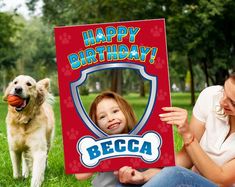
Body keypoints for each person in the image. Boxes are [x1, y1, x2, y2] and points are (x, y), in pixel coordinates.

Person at [116, 72, 235, 187]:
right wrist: (144, 176)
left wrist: (188, 136)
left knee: (175, 174)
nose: (222, 101)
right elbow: (186, 159)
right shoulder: (211, 96)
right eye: (224, 91)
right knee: (127, 183)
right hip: (189, 181)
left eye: (233, 103)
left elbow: (221, 180)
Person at [75, 91, 137, 187]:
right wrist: (107, 153)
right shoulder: (97, 146)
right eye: (102, 117)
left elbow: (161, 169)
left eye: (115, 111)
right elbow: (80, 175)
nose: (110, 118)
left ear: (126, 111)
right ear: (96, 125)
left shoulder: (142, 138)